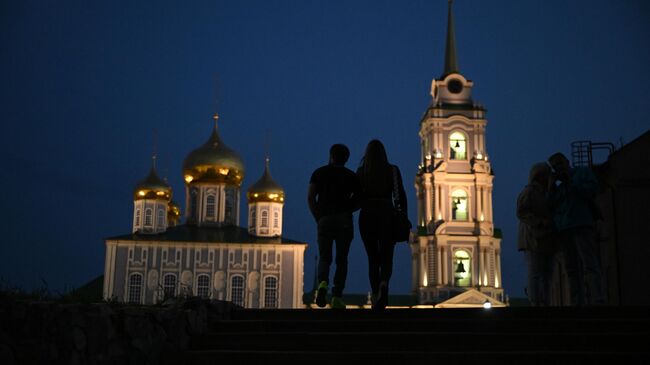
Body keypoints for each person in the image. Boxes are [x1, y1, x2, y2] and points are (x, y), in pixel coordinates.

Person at [308, 144, 361, 309]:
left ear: (331, 155)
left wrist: (318, 217)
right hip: (344, 221)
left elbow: (310, 197)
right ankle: (337, 296)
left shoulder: (319, 173)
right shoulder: (351, 176)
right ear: (346, 159)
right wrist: (347, 210)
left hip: (324, 219)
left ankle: (322, 283)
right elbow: (359, 199)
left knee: (325, 257)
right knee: (342, 259)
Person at [548, 152, 605, 306]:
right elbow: (551, 206)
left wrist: (570, 182)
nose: (558, 168)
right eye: (555, 167)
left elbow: (592, 190)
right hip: (565, 229)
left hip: (581, 224)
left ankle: (597, 299)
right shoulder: (558, 187)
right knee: (571, 268)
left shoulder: (581, 173)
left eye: (560, 164)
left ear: (567, 162)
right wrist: (551, 186)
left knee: (589, 264)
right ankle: (576, 302)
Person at [356, 140, 407, 310]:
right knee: (387, 256)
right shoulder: (392, 170)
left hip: (367, 216)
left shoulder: (361, 172)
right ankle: (384, 283)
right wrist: (404, 217)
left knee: (373, 258)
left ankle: (376, 294)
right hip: (387, 215)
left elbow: (356, 197)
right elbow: (401, 195)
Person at [517, 162, 556, 306]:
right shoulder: (529, 192)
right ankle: (535, 302)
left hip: (546, 238)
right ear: (539, 176)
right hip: (533, 238)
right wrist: (540, 222)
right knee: (535, 272)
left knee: (546, 273)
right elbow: (521, 213)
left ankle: (545, 301)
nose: (549, 178)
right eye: (546, 175)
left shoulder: (547, 192)